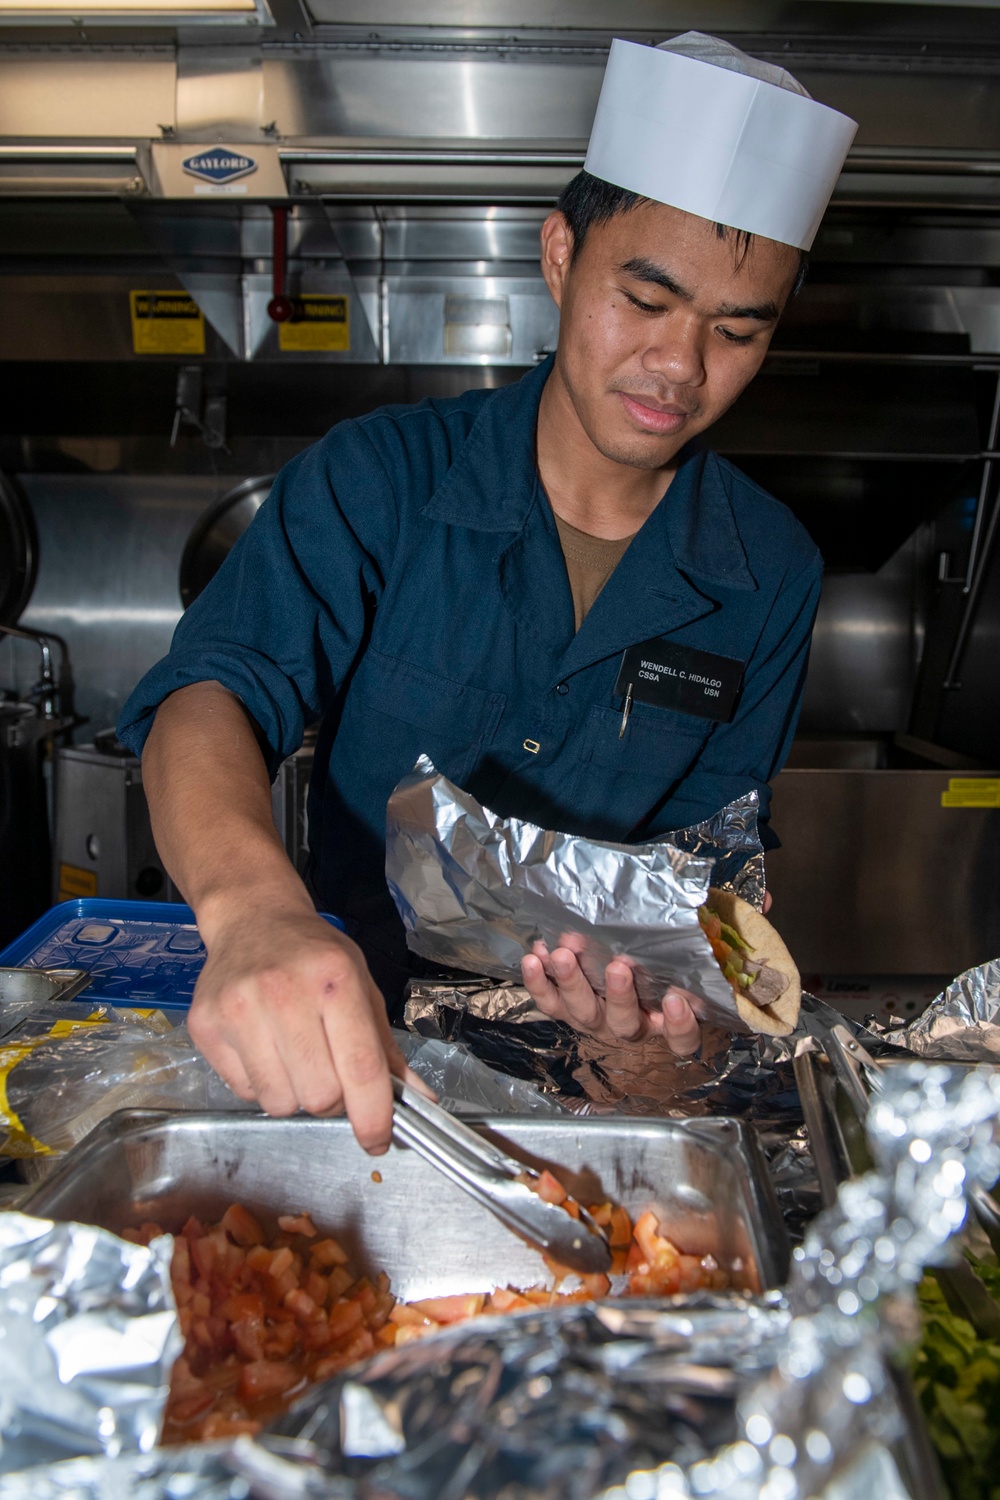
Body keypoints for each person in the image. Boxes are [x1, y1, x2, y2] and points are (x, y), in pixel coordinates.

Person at [118, 33, 856, 1152]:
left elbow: (710, 883)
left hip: (582, 1110)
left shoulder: (771, 568)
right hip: (345, 1055)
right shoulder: (381, 479)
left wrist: (656, 1043)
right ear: (560, 255)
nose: (679, 366)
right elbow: (211, 694)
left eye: (737, 330)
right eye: (645, 299)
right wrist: (253, 912)